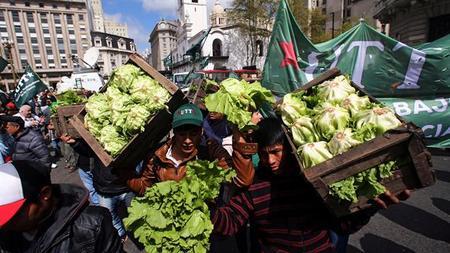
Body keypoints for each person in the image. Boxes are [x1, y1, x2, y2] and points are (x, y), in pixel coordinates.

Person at [210, 118, 411, 252]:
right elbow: (229, 221)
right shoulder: (256, 187)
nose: (269, 160)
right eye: (263, 154)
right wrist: (205, 208)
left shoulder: (311, 182)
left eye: (275, 151)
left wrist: (370, 206)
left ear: (290, 149)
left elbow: (342, 226)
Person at [122, 103, 256, 196]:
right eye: (182, 134)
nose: (187, 140)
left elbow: (242, 180)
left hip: (200, 226)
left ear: (201, 131)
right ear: (174, 133)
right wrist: (126, 178)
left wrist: (240, 138)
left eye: (193, 134)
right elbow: (147, 188)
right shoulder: (158, 156)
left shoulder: (210, 151)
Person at [0, 161, 123, 253]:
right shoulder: (8, 235)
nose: (7, 223)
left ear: (44, 195)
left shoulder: (92, 225)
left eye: (15, 214)